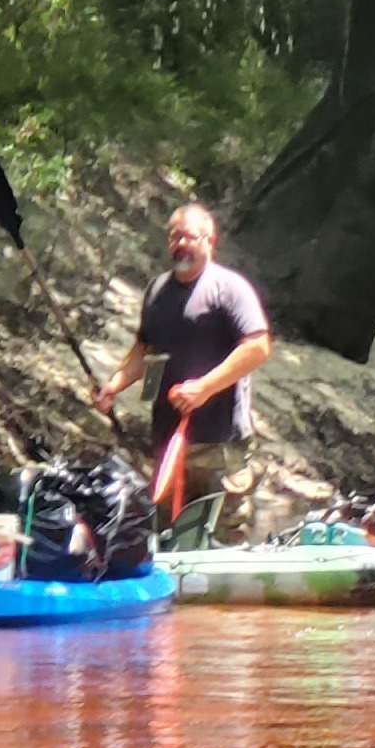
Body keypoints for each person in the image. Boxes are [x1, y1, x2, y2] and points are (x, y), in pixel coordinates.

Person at [90, 202, 276, 542]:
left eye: (188, 237)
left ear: (209, 240)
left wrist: (204, 387)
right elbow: (144, 349)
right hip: (167, 442)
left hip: (219, 443)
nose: (180, 244)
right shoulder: (157, 290)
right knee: (166, 535)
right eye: (174, 237)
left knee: (223, 538)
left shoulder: (229, 288)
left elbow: (258, 346)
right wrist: (113, 387)